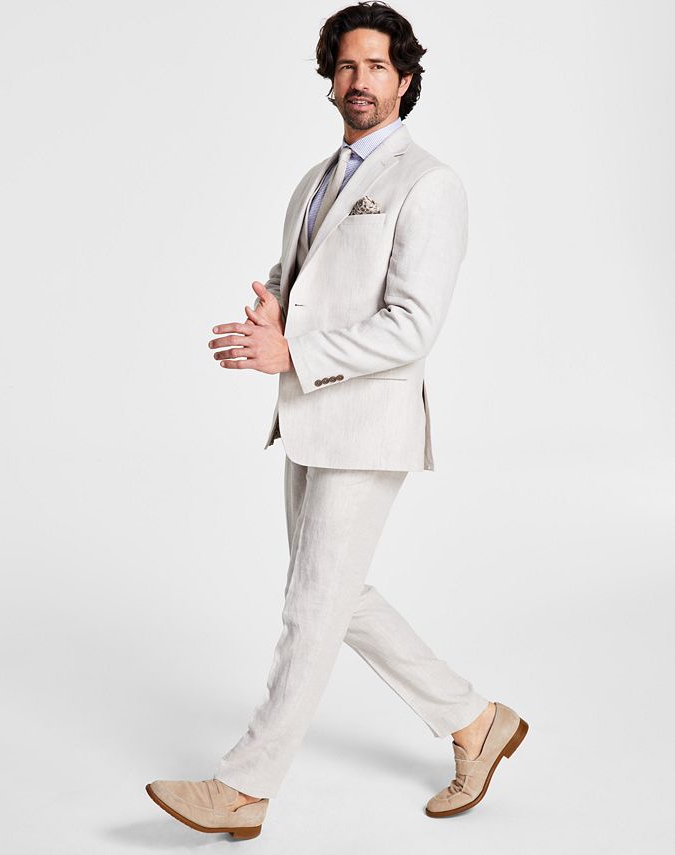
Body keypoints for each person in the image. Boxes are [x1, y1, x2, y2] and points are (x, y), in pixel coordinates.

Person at [146, 1, 528, 840]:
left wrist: (295, 351)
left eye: (378, 66)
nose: (361, 80)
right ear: (330, 78)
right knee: (331, 594)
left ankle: (243, 787)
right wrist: (272, 308)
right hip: (308, 416)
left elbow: (412, 325)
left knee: (311, 608)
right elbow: (300, 275)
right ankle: (475, 719)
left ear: (406, 80)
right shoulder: (315, 179)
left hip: (367, 420)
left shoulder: (429, 183)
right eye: (347, 65)